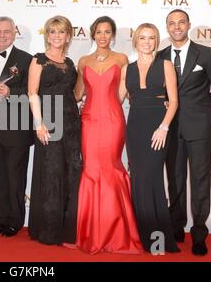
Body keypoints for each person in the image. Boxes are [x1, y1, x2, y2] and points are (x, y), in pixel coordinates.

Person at [158, 9, 211, 255]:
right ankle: (177, 226)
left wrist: (201, 107)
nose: (176, 27)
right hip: (170, 127)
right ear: (166, 27)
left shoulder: (207, 54)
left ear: (188, 25)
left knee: (200, 180)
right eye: (171, 23)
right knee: (175, 179)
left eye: (181, 22)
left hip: (198, 127)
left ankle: (199, 234)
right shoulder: (160, 56)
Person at [73, 16, 143, 254]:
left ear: (112, 35)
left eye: (107, 32)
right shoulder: (82, 61)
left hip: (113, 119)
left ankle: (117, 232)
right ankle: (91, 232)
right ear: (93, 34)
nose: (103, 36)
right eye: (99, 32)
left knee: (112, 168)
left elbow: (127, 92)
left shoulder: (122, 59)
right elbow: (76, 93)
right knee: (91, 170)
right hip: (89, 121)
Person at [121, 23, 179, 253]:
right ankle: (143, 238)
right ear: (135, 41)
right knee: (138, 181)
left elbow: (173, 101)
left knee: (153, 180)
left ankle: (157, 240)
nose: (147, 42)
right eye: (142, 37)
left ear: (156, 41)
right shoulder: (127, 69)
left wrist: (164, 127)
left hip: (158, 127)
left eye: (151, 37)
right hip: (134, 127)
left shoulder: (166, 65)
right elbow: (116, 100)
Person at [27, 15, 81, 245]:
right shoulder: (38, 60)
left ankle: (68, 230)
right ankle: (49, 231)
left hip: (71, 123)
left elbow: (75, 95)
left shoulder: (71, 63)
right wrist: (39, 123)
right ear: (46, 35)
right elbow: (32, 93)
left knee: (71, 173)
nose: (56, 36)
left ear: (68, 36)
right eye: (52, 32)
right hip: (48, 122)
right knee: (51, 174)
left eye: (61, 32)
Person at [0, 17, 33, 237]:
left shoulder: (27, 60)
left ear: (14, 33)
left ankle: (15, 221)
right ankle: (1, 219)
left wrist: (11, 93)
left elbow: (33, 93)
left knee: (15, 178)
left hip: (16, 130)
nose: (2, 35)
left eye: (6, 32)